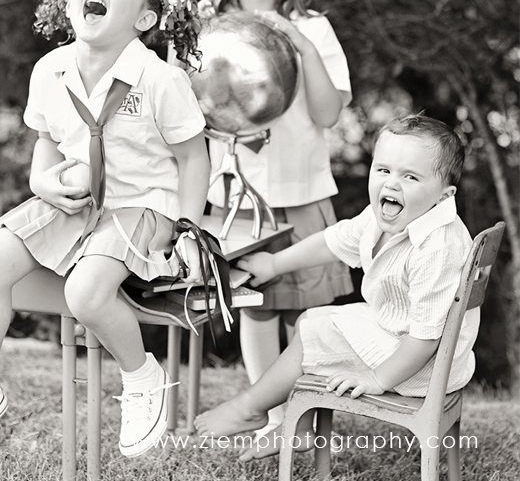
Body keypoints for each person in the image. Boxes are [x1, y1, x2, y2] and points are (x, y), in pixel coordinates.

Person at [0, 0, 210, 471]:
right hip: (74, 200)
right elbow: (46, 148)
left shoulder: (160, 78)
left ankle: (143, 376)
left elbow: (194, 159)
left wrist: (187, 229)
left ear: (145, 19)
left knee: (85, 293)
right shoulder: (49, 71)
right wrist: (42, 185)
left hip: (141, 203)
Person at [195, 114, 477, 461]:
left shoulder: (437, 246)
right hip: (403, 340)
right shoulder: (386, 218)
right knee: (312, 324)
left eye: (411, 176)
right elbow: (332, 241)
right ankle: (294, 426)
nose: (391, 185)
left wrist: (377, 379)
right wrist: (273, 263)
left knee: (316, 330)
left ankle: (251, 408)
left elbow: (426, 339)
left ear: (444, 194)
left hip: (424, 366)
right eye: (383, 170)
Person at [186, 0, 353, 436]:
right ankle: (273, 417)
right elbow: (185, 111)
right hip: (235, 199)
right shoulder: (204, 29)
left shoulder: (315, 27)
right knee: (256, 310)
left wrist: (299, 44)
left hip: (302, 192)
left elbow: (328, 113)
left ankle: (306, 413)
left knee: (307, 313)